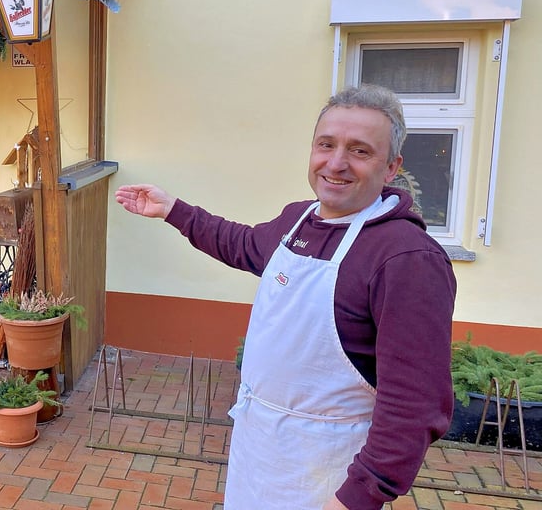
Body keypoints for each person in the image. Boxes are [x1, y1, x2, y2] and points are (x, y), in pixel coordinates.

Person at [114, 84, 456, 510]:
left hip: (328, 474)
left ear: (391, 167)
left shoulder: (407, 258)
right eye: (326, 145)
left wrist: (359, 497)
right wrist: (173, 210)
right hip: (260, 448)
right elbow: (241, 244)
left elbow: (414, 404)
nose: (336, 163)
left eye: (360, 151)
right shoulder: (300, 220)